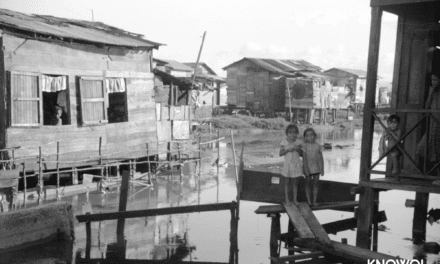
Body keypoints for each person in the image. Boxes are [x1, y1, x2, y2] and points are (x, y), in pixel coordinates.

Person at [416, 71, 440, 175]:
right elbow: (427, 106)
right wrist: (430, 93)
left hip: (438, 122)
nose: (433, 82)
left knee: (437, 148)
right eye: (432, 80)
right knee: (423, 147)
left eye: (435, 80)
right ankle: (436, 174)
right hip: (433, 122)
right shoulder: (433, 92)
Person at [279, 124, 304, 204]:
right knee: (287, 182)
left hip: (296, 164)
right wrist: (287, 150)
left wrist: (297, 149)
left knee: (295, 183)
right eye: (290, 132)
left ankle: (295, 200)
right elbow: (280, 153)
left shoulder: (299, 142)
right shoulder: (284, 142)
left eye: (294, 133)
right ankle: (287, 199)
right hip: (288, 164)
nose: (292, 134)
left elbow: (302, 154)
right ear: (287, 134)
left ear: (297, 134)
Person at [302, 128, 324, 206]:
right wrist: (305, 169)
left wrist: (322, 169)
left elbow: (321, 158)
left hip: (316, 167)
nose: (309, 137)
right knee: (307, 183)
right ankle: (309, 201)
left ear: (314, 136)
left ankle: (314, 201)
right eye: (307, 135)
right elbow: (304, 159)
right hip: (307, 167)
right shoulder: (304, 146)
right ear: (305, 137)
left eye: (311, 135)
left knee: (316, 183)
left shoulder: (318, 145)